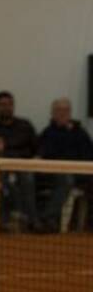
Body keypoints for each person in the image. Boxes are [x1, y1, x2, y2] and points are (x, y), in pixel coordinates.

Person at [0, 91, 41, 231]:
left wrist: (36, 158)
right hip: (1, 170)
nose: (6, 107)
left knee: (27, 178)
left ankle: (32, 220)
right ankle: (5, 221)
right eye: (2, 105)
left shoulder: (25, 125)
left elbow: (37, 148)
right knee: (4, 182)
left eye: (9, 104)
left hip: (24, 166)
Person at [36, 98, 93, 229]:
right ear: (53, 113)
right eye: (59, 110)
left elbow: (89, 155)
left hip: (80, 174)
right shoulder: (47, 133)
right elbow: (41, 155)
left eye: (66, 110)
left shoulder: (80, 133)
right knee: (66, 179)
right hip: (54, 174)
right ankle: (48, 218)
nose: (62, 113)